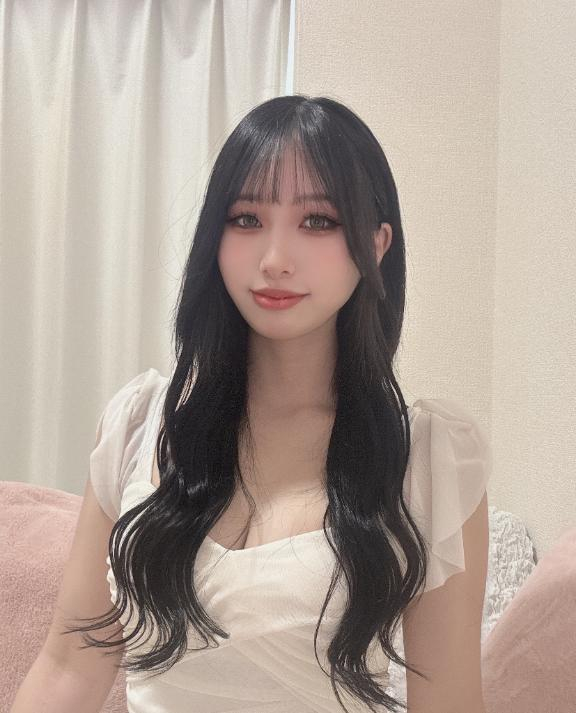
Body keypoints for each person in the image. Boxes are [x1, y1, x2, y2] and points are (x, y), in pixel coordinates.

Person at [11, 95, 491, 713]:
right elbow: (69, 664)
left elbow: (449, 702)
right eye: (245, 219)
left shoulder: (429, 458)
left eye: (317, 220)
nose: (275, 260)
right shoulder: (140, 425)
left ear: (376, 245)